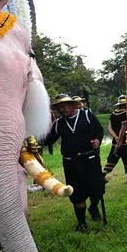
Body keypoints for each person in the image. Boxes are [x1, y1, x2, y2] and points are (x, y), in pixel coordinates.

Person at [43, 94, 105, 232]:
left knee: (97, 189)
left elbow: (99, 131)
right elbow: (48, 140)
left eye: (64, 105)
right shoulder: (58, 124)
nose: (62, 109)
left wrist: (97, 140)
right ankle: (81, 223)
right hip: (71, 163)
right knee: (76, 193)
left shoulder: (87, 115)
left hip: (90, 160)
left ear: (72, 105)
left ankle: (94, 207)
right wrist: (34, 138)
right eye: (59, 107)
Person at [103, 95, 127, 184]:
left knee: (112, 158)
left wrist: (116, 138)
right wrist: (120, 140)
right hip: (125, 141)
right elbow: (123, 127)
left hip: (115, 141)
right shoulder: (125, 113)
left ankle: (103, 174)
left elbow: (109, 128)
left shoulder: (113, 113)